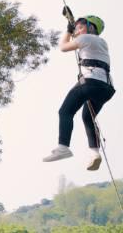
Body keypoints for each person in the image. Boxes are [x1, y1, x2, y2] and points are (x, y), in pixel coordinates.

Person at [43, 12, 115, 170]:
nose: (77, 31)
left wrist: (68, 31)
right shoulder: (102, 43)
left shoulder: (86, 38)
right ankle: (95, 153)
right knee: (88, 118)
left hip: (90, 83)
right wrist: (74, 29)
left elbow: (62, 47)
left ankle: (63, 147)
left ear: (90, 28)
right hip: (106, 89)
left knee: (65, 112)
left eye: (80, 27)